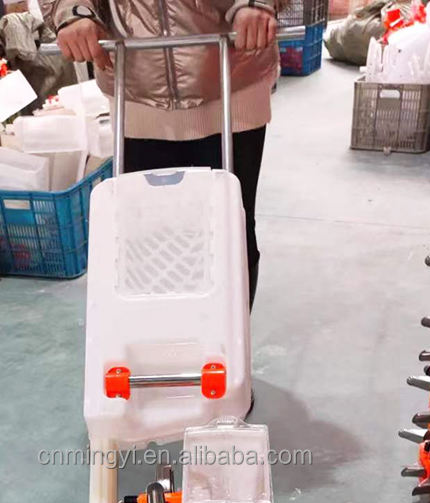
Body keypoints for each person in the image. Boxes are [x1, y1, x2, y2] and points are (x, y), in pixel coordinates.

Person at [45, 0, 282, 310]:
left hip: (231, 75)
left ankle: (230, 336)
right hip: (135, 83)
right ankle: (160, 333)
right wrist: (73, 11)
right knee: (149, 242)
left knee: (230, 235)